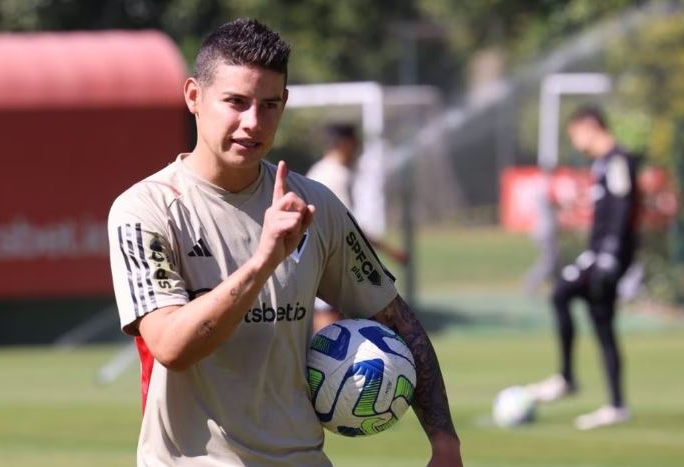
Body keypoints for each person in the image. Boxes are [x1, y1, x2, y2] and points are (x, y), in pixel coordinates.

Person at [108, 18, 462, 466]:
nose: (253, 123)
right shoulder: (145, 210)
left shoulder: (315, 204)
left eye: (269, 105)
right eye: (235, 102)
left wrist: (444, 442)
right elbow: (171, 347)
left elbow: (395, 318)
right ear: (194, 97)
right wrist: (264, 259)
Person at [527, 106, 639, 430]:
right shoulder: (604, 163)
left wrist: (609, 256)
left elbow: (624, 207)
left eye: (574, 133)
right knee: (601, 322)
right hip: (601, 254)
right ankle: (616, 404)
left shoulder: (617, 160)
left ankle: (567, 378)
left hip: (606, 256)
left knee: (562, 294)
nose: (575, 141)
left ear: (589, 128)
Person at [306, 123, 409, 329]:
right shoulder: (332, 175)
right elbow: (348, 227)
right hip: (328, 267)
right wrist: (389, 251)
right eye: (356, 143)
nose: (358, 148)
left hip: (327, 265)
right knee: (329, 341)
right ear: (345, 144)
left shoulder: (330, 172)